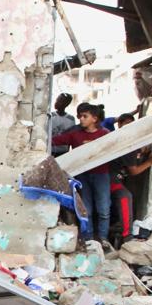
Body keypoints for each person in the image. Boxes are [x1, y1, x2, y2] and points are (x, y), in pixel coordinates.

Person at [52, 103, 111, 246]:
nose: (81, 119)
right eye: (80, 116)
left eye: (85, 116)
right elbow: (55, 140)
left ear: (95, 118)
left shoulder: (104, 134)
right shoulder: (75, 133)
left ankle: (103, 238)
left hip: (101, 174)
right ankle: (89, 238)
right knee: (87, 209)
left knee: (103, 209)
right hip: (82, 175)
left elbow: (112, 149)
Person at [110, 113, 152, 243]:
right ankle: (127, 236)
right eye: (126, 124)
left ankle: (119, 229)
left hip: (115, 178)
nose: (130, 127)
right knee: (126, 197)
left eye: (132, 124)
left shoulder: (133, 143)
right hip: (109, 178)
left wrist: (144, 152)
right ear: (119, 125)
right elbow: (134, 171)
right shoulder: (126, 143)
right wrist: (150, 161)